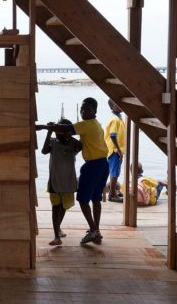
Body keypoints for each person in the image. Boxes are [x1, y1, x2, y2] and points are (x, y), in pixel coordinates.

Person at [70, 97, 110, 245]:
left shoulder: (85, 124)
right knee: (96, 198)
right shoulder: (96, 124)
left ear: (94, 111)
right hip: (103, 164)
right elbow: (82, 143)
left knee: (83, 200)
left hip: (92, 166)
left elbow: (65, 129)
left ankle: (94, 231)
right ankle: (96, 230)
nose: (82, 111)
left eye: (86, 109)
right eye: (81, 109)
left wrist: (44, 127)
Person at [41, 118, 82, 246]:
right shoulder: (52, 142)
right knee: (55, 207)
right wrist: (49, 131)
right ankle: (56, 236)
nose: (59, 132)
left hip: (68, 182)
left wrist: (67, 135)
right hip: (55, 181)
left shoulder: (72, 144)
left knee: (64, 206)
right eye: (58, 130)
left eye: (62, 130)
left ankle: (58, 227)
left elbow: (81, 146)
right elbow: (44, 151)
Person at [103, 99, 125, 202]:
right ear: (112, 107)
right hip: (114, 150)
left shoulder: (119, 118)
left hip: (114, 150)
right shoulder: (115, 120)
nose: (119, 106)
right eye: (116, 105)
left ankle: (112, 193)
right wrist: (120, 151)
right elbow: (112, 135)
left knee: (113, 172)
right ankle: (112, 195)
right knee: (115, 172)